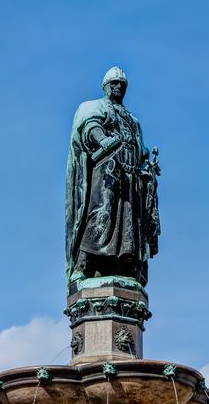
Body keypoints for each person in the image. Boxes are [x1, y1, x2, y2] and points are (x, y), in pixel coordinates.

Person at [65, 66, 160, 289]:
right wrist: (102, 140)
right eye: (114, 83)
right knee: (100, 214)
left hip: (130, 179)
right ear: (106, 87)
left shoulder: (132, 120)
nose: (118, 87)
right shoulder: (97, 107)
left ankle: (121, 266)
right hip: (107, 172)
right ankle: (82, 265)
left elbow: (139, 146)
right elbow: (90, 127)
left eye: (122, 84)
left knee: (128, 223)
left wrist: (146, 159)